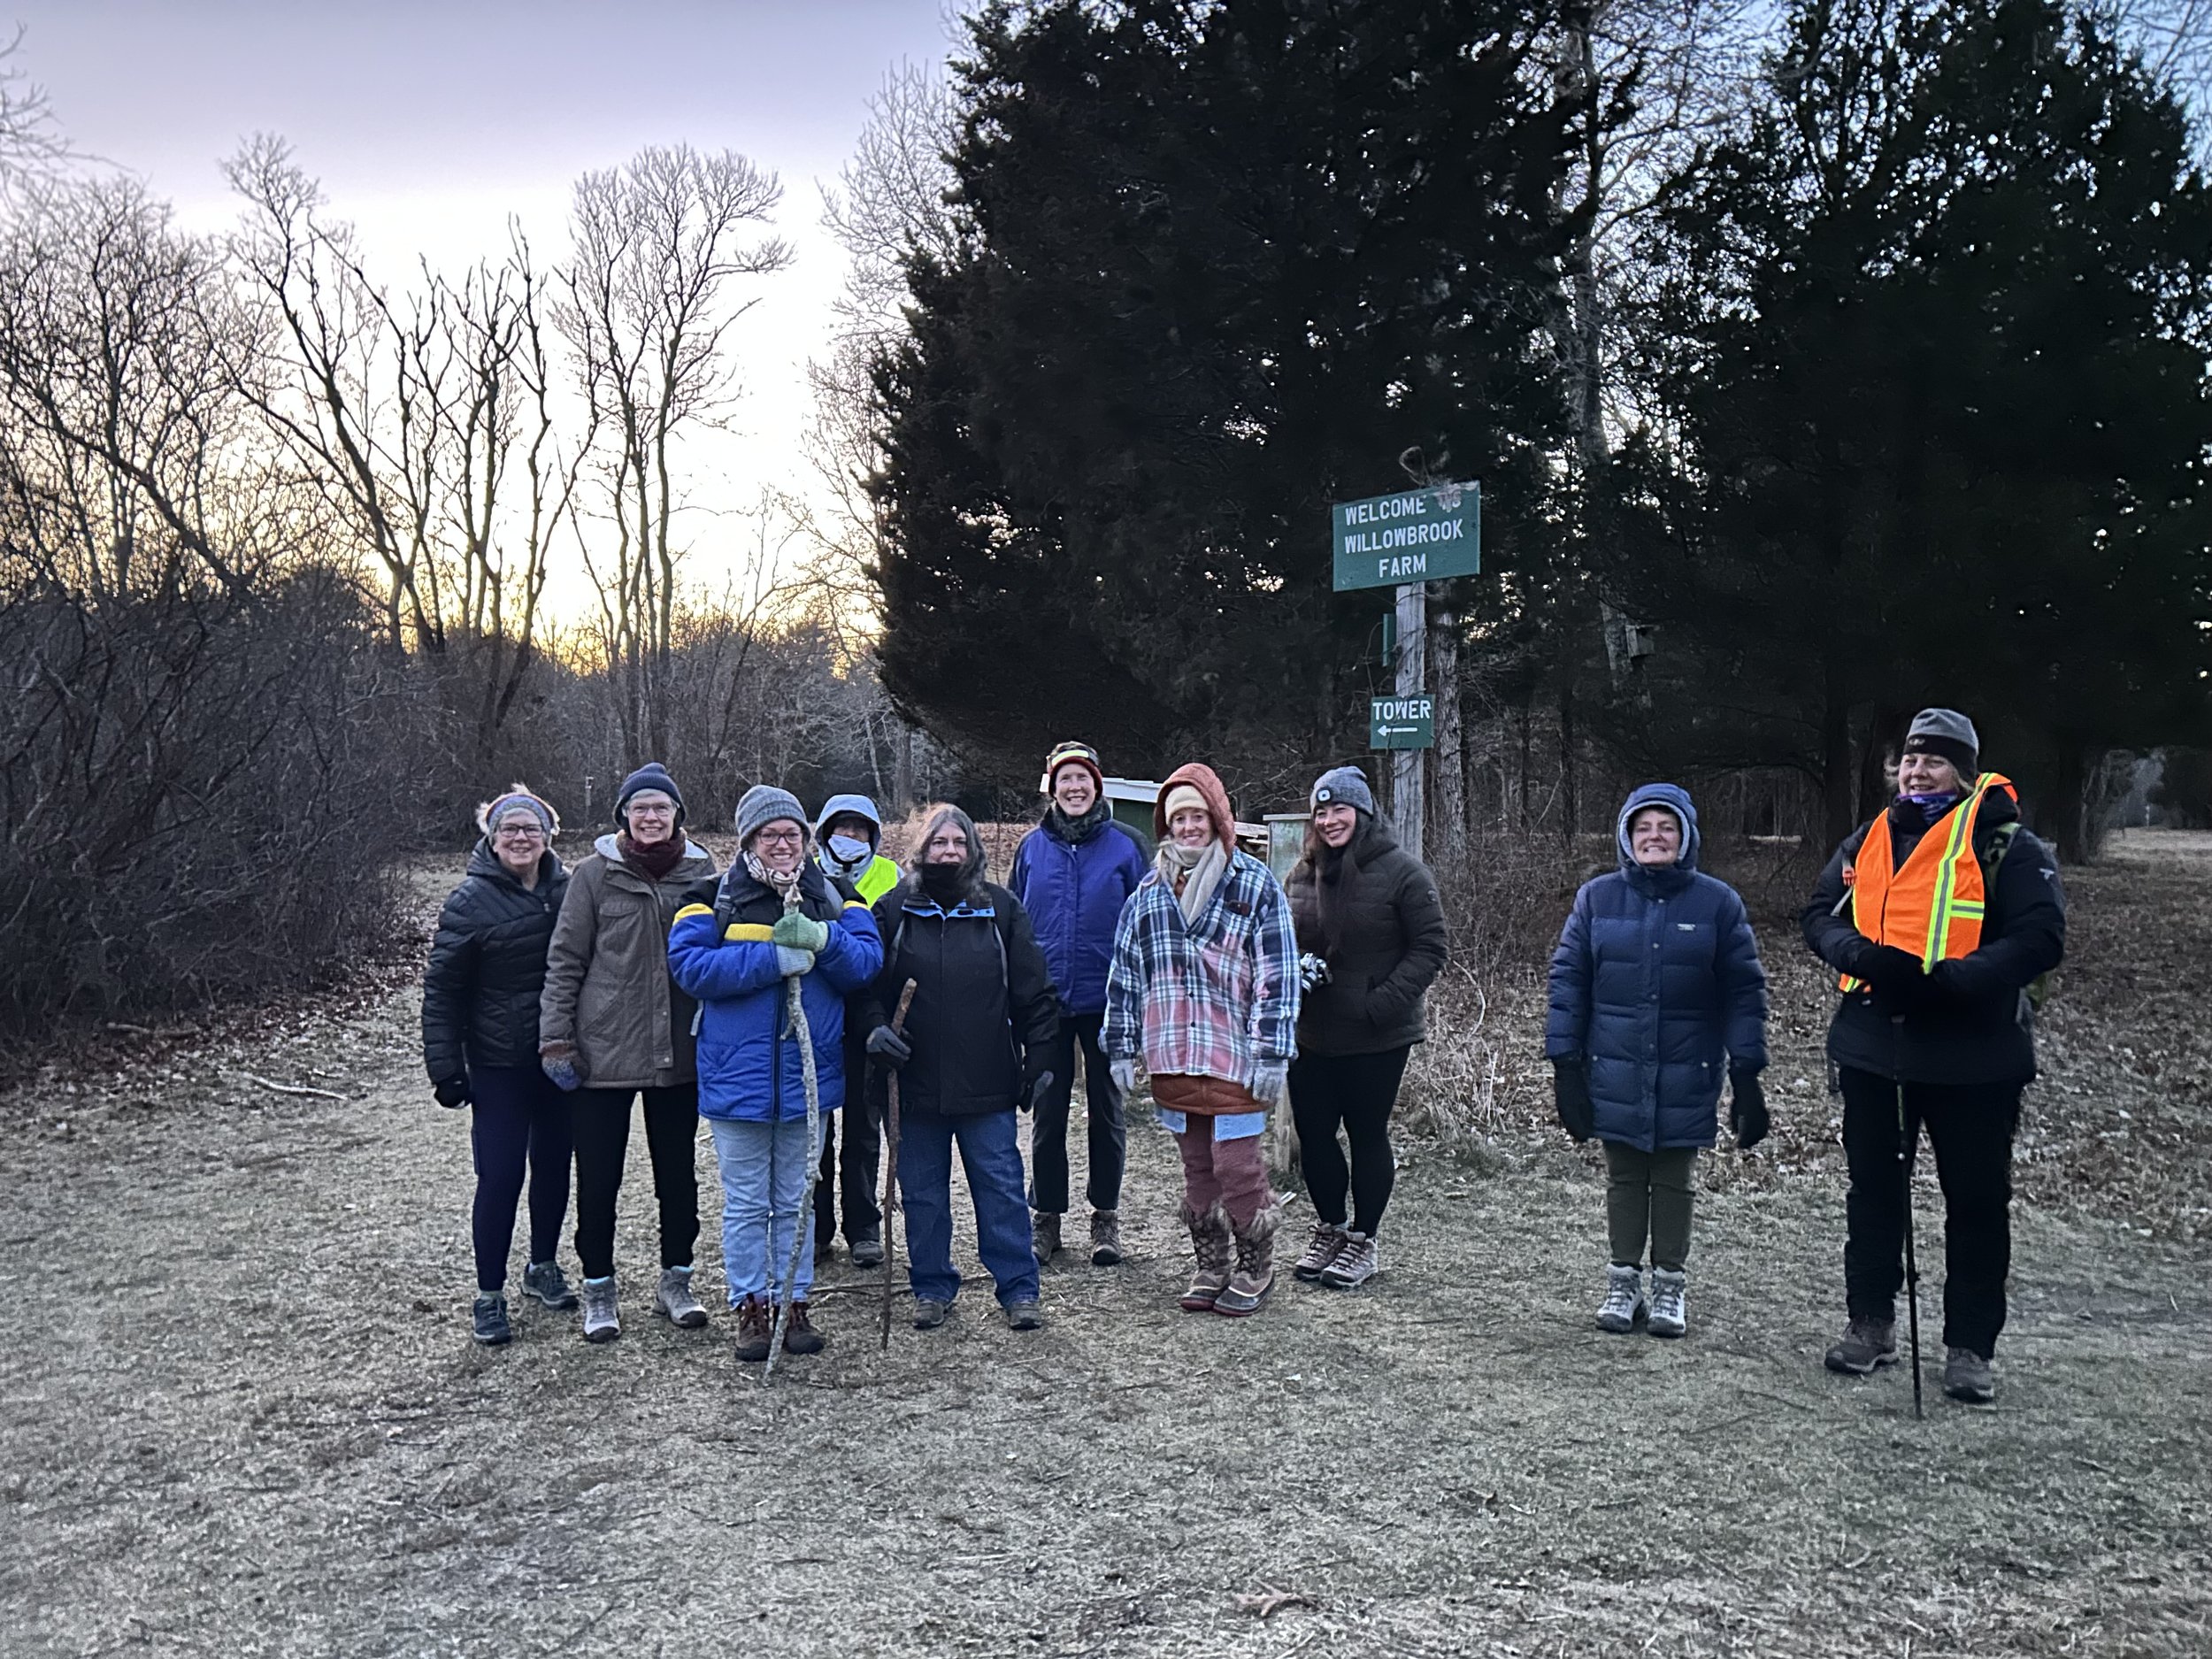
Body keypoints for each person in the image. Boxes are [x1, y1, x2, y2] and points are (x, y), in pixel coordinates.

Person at [1802, 709, 2064, 1404]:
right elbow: (1821, 913)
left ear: (1965, 770)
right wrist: (1857, 953)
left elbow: (2042, 937)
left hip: (1975, 1053)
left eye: (1935, 761)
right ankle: (1870, 1323)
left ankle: (1970, 1346)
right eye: (1910, 760)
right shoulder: (1870, 836)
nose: (1917, 771)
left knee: (1976, 1203)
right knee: (1874, 1195)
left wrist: (1959, 979)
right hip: (1874, 1044)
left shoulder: (2007, 841)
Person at [1545, 784, 1770, 1339]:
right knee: (1623, 1174)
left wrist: (1747, 1072)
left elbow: (1744, 992)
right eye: (1642, 828)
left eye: (1665, 827)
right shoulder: (1596, 899)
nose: (1654, 837)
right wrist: (1565, 1064)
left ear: (1686, 836)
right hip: (1614, 1064)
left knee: (1672, 1175)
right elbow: (1569, 983)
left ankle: (1670, 1284)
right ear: (1626, 836)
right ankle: (1623, 1281)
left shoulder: (1718, 903)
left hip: (1687, 1066)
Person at [668, 786, 883, 1363]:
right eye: (771, 833)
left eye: (792, 832)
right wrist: (770, 960)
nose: (783, 842)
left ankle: (795, 1301)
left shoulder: (836, 896)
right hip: (736, 1080)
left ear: (806, 839)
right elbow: (690, 966)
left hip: (806, 1082)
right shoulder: (711, 898)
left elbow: (866, 961)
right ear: (748, 841)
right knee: (744, 1202)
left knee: (795, 1199)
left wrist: (823, 939)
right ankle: (750, 1306)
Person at [1104, 764, 1300, 1317]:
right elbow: (1125, 974)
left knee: (1235, 1164)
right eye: (1178, 818)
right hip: (1173, 1055)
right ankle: (1211, 1262)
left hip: (1235, 1057)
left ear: (1217, 818)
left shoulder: (1253, 884)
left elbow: (1278, 973)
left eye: (1198, 816)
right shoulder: (1148, 894)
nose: (1189, 827)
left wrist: (1272, 1049)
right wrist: (1120, 1044)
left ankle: (1255, 1262)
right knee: (1197, 1167)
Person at [537, 762, 717, 1343]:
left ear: (676, 815)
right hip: (603, 1050)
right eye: (639, 808)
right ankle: (598, 1284)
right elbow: (565, 960)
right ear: (623, 816)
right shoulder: (592, 876)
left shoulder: (702, 871)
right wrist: (557, 1039)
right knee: (598, 1176)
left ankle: (677, 1280)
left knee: (678, 1174)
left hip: (679, 1052)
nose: (650, 816)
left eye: (660, 807)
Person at [861, 803, 1058, 1332]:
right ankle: (930, 1285)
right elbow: (866, 988)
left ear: (973, 850)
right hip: (914, 1082)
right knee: (923, 1195)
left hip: (987, 1082)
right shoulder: (894, 910)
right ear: (920, 850)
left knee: (1000, 1189)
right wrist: (876, 1029)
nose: (949, 853)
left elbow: (1034, 992)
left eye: (958, 843)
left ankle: (1019, 1288)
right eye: (938, 844)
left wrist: (1039, 1057)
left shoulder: (1000, 909)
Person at [1282, 766, 1450, 1290]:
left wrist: (1381, 1003)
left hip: (1378, 1035)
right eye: (1322, 811)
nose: (1331, 820)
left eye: (1341, 810)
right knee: (1313, 1135)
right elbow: (1283, 943)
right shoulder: (1300, 874)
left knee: (1366, 1134)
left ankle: (1363, 1239)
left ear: (1364, 813)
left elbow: (1431, 948)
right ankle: (1329, 1227)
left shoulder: (1404, 872)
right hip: (1311, 1033)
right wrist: (1295, 977)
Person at [422, 786, 575, 1346]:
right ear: (492, 837)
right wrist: (445, 1066)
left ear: (547, 836)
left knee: (555, 1168)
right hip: (497, 1063)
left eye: (530, 829)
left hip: (558, 1060)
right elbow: (442, 989)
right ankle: (489, 1294)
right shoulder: (469, 901)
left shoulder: (569, 889)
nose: (519, 838)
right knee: (501, 1176)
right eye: (508, 829)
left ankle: (542, 1267)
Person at [1008, 741, 1148, 1267]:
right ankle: (1046, 1217)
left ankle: (1105, 1216)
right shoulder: (1030, 849)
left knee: (1108, 1113)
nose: (1074, 788)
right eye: (1064, 779)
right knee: (1048, 1110)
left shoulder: (1128, 847)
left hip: (1108, 1002)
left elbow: (1148, 922)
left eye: (1083, 778)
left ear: (1097, 785)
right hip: (1046, 1004)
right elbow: (1014, 926)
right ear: (1052, 786)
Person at [810, 794, 902, 1269]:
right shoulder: (807, 876)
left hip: (873, 1019)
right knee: (818, 1131)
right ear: (826, 834)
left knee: (864, 1128)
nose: (851, 839)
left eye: (860, 830)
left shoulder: (891, 876)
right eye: (842, 830)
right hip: (821, 1016)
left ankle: (864, 1225)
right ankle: (819, 1226)